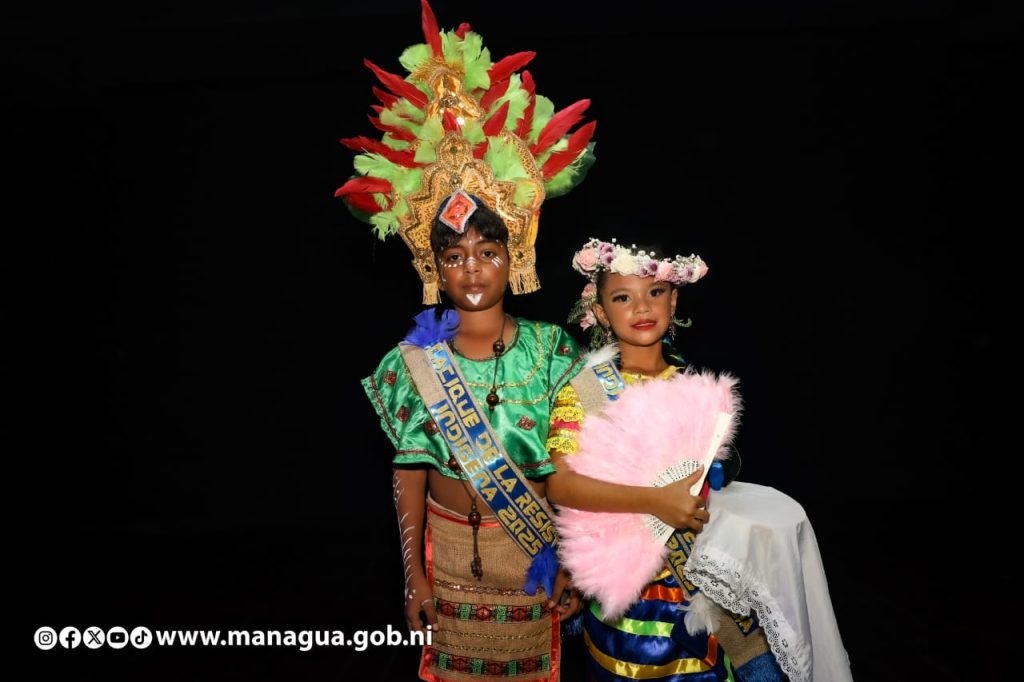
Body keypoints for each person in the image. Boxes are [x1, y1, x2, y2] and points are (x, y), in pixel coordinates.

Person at [339, 3, 599, 679]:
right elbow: (408, 473)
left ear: (516, 255)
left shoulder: (555, 352)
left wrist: (576, 561)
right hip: (448, 563)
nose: (473, 269)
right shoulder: (412, 362)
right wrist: (413, 577)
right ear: (434, 267)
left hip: (535, 562)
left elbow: (584, 467)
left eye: (488, 251)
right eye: (454, 256)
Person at [545, 238, 787, 681]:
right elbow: (560, 485)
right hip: (626, 594)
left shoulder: (696, 383)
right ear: (600, 311)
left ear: (673, 301)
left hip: (699, 585)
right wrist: (655, 501)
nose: (642, 307)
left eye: (654, 292)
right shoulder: (587, 390)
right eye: (623, 297)